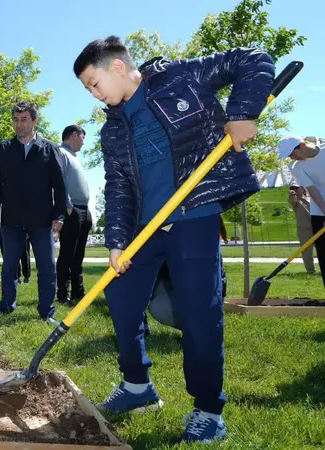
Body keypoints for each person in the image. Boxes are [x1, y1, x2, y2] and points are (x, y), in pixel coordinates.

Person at [74, 36, 274, 442]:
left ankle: (208, 411)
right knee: (123, 300)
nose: (94, 94)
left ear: (116, 67)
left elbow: (252, 57)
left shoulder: (180, 77)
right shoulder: (113, 128)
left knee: (200, 313)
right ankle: (137, 386)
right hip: (142, 230)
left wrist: (241, 113)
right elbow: (118, 188)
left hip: (193, 216)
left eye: (94, 84)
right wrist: (116, 241)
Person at [0, 101, 67, 323]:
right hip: (11, 219)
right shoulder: (4, 149)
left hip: (41, 219)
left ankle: (46, 310)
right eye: (15, 120)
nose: (19, 125)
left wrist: (59, 215)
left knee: (47, 267)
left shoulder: (49, 149)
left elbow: (59, 186)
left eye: (24, 119)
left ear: (34, 121)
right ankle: (6, 306)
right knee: (9, 267)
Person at [278, 136, 325, 287]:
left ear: (303, 145)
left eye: (293, 154)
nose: (292, 158)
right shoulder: (297, 167)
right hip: (320, 212)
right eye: (290, 156)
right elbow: (313, 191)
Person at [55, 124, 92, 305]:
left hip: (84, 209)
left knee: (79, 255)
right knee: (67, 254)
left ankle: (78, 292)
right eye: (83, 137)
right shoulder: (61, 152)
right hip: (72, 210)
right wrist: (68, 206)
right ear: (74, 135)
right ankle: (63, 295)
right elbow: (58, 179)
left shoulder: (75, 156)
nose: (84, 142)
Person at [286, 184, 317, 275]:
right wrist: (291, 195)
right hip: (304, 229)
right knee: (307, 251)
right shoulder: (295, 201)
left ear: (303, 189)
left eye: (296, 188)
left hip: (317, 227)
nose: (294, 190)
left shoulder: (311, 199)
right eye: (292, 188)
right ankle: (311, 271)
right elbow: (291, 201)